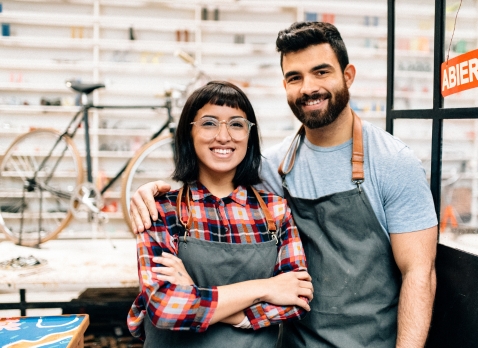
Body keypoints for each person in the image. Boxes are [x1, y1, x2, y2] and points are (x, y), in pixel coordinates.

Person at [129, 22, 438, 348]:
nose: (308, 88)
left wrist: (199, 300)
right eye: (295, 77)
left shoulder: (393, 162)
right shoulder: (271, 170)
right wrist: (155, 190)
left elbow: (419, 274)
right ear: (285, 86)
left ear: (348, 76)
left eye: (321, 72)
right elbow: (213, 179)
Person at [127, 81, 313, 348]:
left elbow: (297, 299)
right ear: (188, 133)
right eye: (209, 123)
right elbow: (165, 308)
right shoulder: (161, 210)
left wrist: (194, 295)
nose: (224, 136)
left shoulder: (275, 210)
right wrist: (266, 289)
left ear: (250, 136)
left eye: (237, 124)